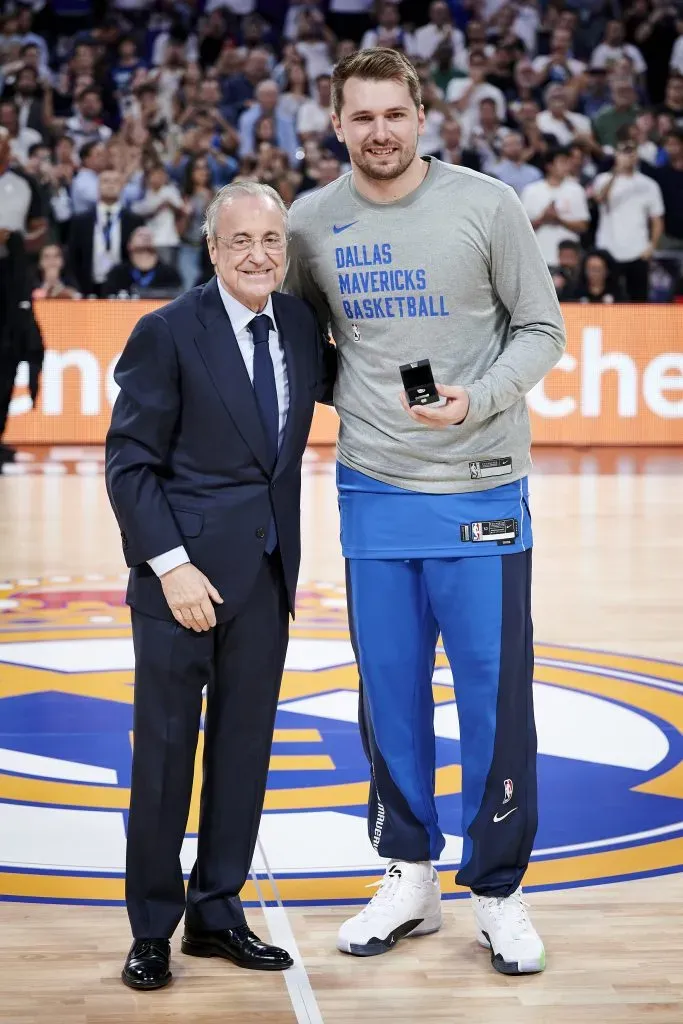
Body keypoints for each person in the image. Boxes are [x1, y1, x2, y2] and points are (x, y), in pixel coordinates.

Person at [285, 48, 565, 975]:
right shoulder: (309, 222)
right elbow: (291, 344)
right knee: (389, 700)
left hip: (481, 484)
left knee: (494, 700)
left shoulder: (486, 204)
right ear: (334, 122)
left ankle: (498, 892)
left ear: (420, 113)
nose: (379, 132)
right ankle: (409, 873)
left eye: (392, 115)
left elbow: (541, 329)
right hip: (370, 489)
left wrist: (476, 398)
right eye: (359, 117)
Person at [105, 181, 336, 991]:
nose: (257, 255)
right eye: (240, 241)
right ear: (211, 249)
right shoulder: (165, 332)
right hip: (181, 586)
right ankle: (151, 930)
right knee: (165, 763)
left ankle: (217, 912)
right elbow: (129, 464)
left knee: (243, 754)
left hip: (268, 578)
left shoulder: (302, 326)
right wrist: (170, 568)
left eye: (271, 241)